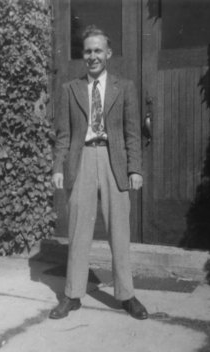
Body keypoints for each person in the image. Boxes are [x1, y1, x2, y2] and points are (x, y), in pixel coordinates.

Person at [49, 25, 148, 320]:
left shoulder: (124, 87)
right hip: (81, 162)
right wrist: (57, 167)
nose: (92, 56)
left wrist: (135, 169)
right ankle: (72, 293)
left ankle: (126, 295)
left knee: (119, 230)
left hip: (113, 160)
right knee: (79, 229)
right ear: (84, 54)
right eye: (88, 51)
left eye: (98, 51)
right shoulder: (69, 89)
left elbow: (132, 133)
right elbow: (63, 135)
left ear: (108, 53)